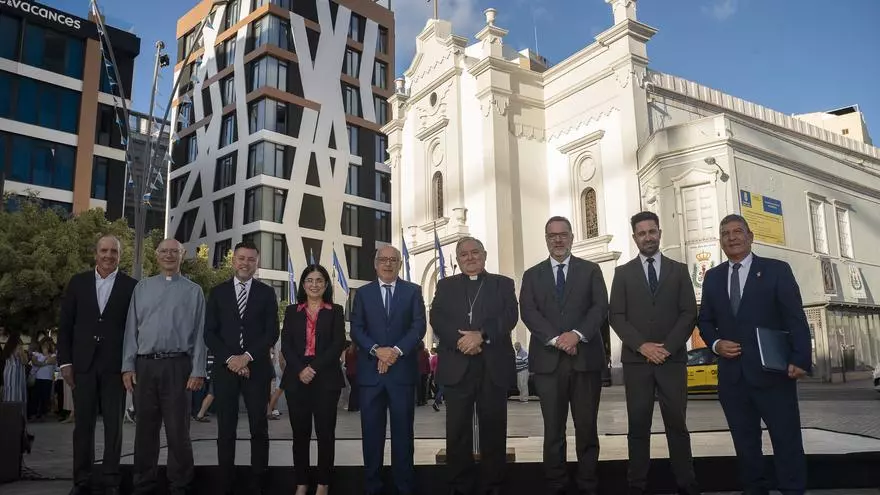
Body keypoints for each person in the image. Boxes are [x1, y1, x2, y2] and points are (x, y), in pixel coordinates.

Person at [698, 214, 811, 495]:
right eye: (725, 233)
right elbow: (705, 320)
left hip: (774, 375)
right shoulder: (712, 277)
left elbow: (794, 316)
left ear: (750, 236)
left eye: (738, 232)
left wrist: (800, 357)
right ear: (720, 241)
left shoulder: (776, 270)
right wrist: (715, 344)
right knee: (746, 445)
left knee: (786, 441)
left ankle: (793, 490)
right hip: (733, 379)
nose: (732, 237)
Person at [609, 211, 700, 495]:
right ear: (634, 237)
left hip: (672, 361)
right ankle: (637, 483)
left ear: (659, 233)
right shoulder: (622, 273)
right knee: (638, 425)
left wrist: (668, 348)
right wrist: (643, 346)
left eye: (652, 231)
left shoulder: (679, 270)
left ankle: (685, 482)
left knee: (677, 424)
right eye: (642, 233)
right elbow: (617, 316)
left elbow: (689, 313)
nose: (647, 237)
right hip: (637, 362)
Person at [520, 216, 609, 495]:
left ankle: (587, 483)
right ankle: (556, 483)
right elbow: (529, 312)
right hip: (549, 364)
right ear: (546, 239)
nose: (557, 240)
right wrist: (558, 339)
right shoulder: (532, 275)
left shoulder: (591, 270)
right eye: (551, 236)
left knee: (586, 428)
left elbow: (599, 307)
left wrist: (576, 335)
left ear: (571, 237)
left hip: (585, 362)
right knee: (553, 430)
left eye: (563, 235)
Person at [430, 236, 519, 495]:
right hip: (458, 366)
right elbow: (436, 317)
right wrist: (461, 341)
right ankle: (460, 487)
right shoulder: (446, 285)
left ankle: (493, 487)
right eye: (464, 254)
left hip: (492, 367)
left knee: (493, 429)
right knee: (457, 432)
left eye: (475, 252)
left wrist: (481, 336)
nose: (470, 257)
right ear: (457, 260)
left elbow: (510, 316)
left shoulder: (503, 284)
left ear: (485, 254)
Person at [122, 239, 207, 495]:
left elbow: (200, 333)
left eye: (174, 251)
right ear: (156, 256)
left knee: (178, 431)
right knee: (145, 431)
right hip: (145, 366)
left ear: (182, 255)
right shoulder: (142, 288)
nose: (169, 255)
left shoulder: (194, 291)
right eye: (164, 251)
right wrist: (128, 365)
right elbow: (130, 330)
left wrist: (198, 370)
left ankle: (180, 485)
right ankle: (143, 484)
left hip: (178, 367)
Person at [58, 235, 137, 495]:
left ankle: (111, 480)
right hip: (83, 365)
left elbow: (134, 330)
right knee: (83, 426)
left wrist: (130, 365)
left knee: (114, 427)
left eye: (113, 251)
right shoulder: (78, 283)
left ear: (119, 255)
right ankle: (81, 480)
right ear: (95, 253)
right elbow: (66, 325)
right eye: (103, 250)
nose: (108, 255)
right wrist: (65, 362)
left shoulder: (131, 286)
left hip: (115, 368)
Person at [350, 246, 427, 495]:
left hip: (401, 374)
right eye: (383, 259)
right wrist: (376, 350)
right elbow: (357, 329)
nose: (388, 264)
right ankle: (373, 487)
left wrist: (394, 351)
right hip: (371, 376)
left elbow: (418, 327)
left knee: (403, 436)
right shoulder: (362, 294)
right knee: (371, 436)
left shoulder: (413, 291)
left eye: (393, 260)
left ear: (400, 264)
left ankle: (405, 487)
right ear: (375, 264)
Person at [204, 241, 279, 494]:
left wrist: (246, 358)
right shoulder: (217, 293)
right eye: (241, 258)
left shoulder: (267, 293)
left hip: (257, 370)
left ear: (257, 263)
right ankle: (225, 481)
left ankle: (259, 481)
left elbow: (271, 332)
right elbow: (210, 334)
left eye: (251, 259)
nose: (245, 263)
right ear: (233, 260)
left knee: (259, 426)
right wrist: (231, 360)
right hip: (225, 371)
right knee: (226, 427)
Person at [280, 264, 346, 495]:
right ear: (303, 284)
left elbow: (338, 344)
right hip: (296, 379)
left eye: (319, 280)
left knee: (325, 433)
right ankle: (301, 482)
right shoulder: (291, 311)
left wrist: (312, 368)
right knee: (300, 434)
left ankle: (323, 483)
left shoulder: (336, 310)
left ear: (326, 285)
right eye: (310, 280)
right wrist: (300, 369)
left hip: (326, 378)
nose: (314, 284)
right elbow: (286, 345)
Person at [30, 339, 57, 420]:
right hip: (38, 378)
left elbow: (51, 361)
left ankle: (43, 413)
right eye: (43, 345)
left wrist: (42, 362)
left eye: (47, 345)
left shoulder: (53, 355)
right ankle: (34, 413)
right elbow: (34, 362)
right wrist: (45, 360)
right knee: (36, 396)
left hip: (48, 378)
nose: (45, 346)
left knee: (45, 397)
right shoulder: (36, 353)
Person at [192, 353, 215, 422]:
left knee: (209, 392)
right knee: (212, 393)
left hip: (207, 371)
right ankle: (200, 414)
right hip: (212, 372)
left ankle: (199, 413)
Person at [267, 347, 285, 420]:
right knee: (278, 390)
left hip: (277, 366)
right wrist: (284, 371)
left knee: (278, 389)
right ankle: (269, 411)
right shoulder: (282, 339)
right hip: (281, 368)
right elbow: (281, 358)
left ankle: (272, 410)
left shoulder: (277, 341)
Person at [344, 343, 359, 412]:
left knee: (353, 389)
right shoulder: (357, 351)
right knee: (355, 390)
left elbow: (346, 363)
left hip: (348, 373)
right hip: (355, 372)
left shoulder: (348, 351)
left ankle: (351, 406)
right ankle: (355, 406)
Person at [416, 341, 431, 406]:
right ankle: (424, 400)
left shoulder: (415, 353)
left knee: (418, 387)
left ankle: (419, 401)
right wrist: (429, 372)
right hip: (424, 372)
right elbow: (428, 363)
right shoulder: (425, 353)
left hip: (417, 372)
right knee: (424, 387)